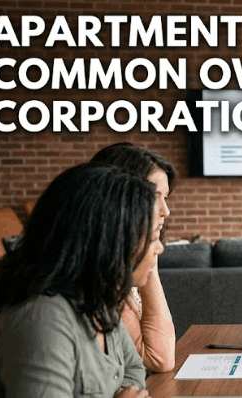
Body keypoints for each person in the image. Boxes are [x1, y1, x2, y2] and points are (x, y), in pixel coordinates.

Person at [0, 163, 160, 397]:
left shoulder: (98, 299)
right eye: (153, 238)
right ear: (110, 242)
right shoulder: (43, 320)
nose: (160, 248)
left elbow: (134, 368)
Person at [90, 142, 176, 373]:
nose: (166, 211)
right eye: (154, 197)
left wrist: (148, 254)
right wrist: (149, 257)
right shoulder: (98, 277)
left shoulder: (125, 266)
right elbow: (158, 358)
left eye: (166, 197)